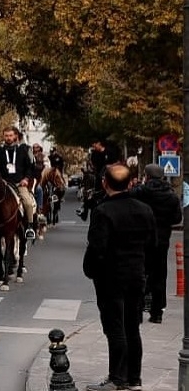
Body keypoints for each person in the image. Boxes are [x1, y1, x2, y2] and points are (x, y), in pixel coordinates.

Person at [83, 164, 156, 391]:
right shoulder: (145, 209)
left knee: (115, 328)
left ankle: (117, 378)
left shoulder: (103, 211)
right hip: (136, 275)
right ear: (131, 183)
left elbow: (97, 248)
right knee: (132, 328)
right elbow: (153, 246)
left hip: (110, 279)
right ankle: (134, 378)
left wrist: (91, 270)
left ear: (105, 183)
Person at [130, 163, 182, 324]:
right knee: (160, 275)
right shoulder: (171, 196)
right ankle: (157, 312)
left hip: (141, 238)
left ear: (147, 176)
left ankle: (137, 310)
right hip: (162, 240)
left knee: (139, 273)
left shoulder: (140, 192)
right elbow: (177, 219)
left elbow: (131, 209)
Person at [0, 126, 38, 239]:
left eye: (11, 135)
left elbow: (30, 167)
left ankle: (30, 227)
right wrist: (0, 180)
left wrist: (26, 179)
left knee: (28, 202)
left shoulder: (24, 149)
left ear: (16, 136)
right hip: (4, 183)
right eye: (6, 136)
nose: (8, 138)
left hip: (19, 184)